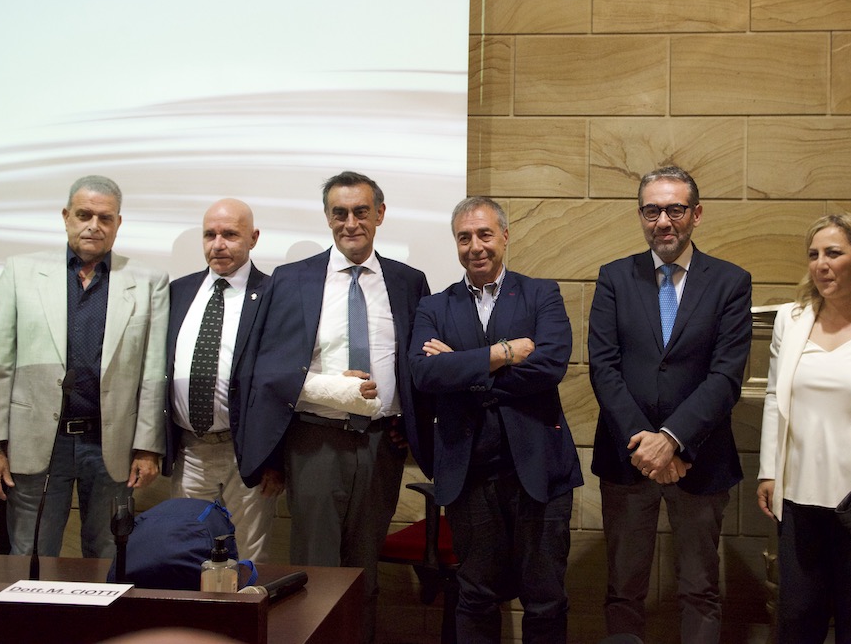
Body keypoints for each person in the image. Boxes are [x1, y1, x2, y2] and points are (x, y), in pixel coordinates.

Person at [235, 171, 429, 643]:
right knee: (316, 571)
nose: (350, 223)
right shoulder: (291, 280)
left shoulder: (408, 281)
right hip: (315, 443)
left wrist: (408, 423)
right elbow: (267, 368)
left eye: (361, 212)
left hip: (381, 447)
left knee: (365, 572)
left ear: (379, 214)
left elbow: (416, 363)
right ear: (327, 217)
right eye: (339, 213)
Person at [588, 165, 752, 644]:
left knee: (700, 590)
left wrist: (673, 441)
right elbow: (603, 367)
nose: (663, 221)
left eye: (675, 209)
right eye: (652, 210)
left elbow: (725, 377)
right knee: (623, 589)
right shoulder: (614, 277)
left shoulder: (730, 281)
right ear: (641, 216)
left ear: (696, 214)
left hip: (700, 460)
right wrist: (646, 445)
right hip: (628, 458)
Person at [409, 196, 582, 643]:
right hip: (469, 477)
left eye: (485, 234)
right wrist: (502, 353)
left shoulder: (542, 293)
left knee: (545, 600)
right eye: (464, 237)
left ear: (504, 236)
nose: (475, 246)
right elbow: (424, 374)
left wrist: (462, 370)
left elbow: (549, 367)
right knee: (476, 598)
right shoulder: (434, 307)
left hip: (539, 473)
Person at [0, 174, 168, 558]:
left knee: (108, 558)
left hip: (110, 443)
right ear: (66, 217)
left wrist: (148, 448)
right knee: (31, 554)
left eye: (105, 218)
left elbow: (153, 373)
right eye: (84, 215)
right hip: (38, 441)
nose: (94, 225)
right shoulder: (21, 272)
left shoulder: (149, 282)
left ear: (118, 223)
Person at [756, 214, 851, 643]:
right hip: (799, 492)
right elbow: (774, 396)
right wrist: (769, 470)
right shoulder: (792, 318)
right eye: (814, 254)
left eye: (833, 253)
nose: (821, 264)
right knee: (798, 615)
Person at [163, 198, 280, 562]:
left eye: (230, 234)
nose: (218, 244)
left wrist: (275, 459)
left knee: (248, 559)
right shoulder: (178, 291)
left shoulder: (275, 295)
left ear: (253, 238)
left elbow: (281, 385)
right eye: (209, 235)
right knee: (186, 553)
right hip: (189, 450)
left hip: (246, 454)